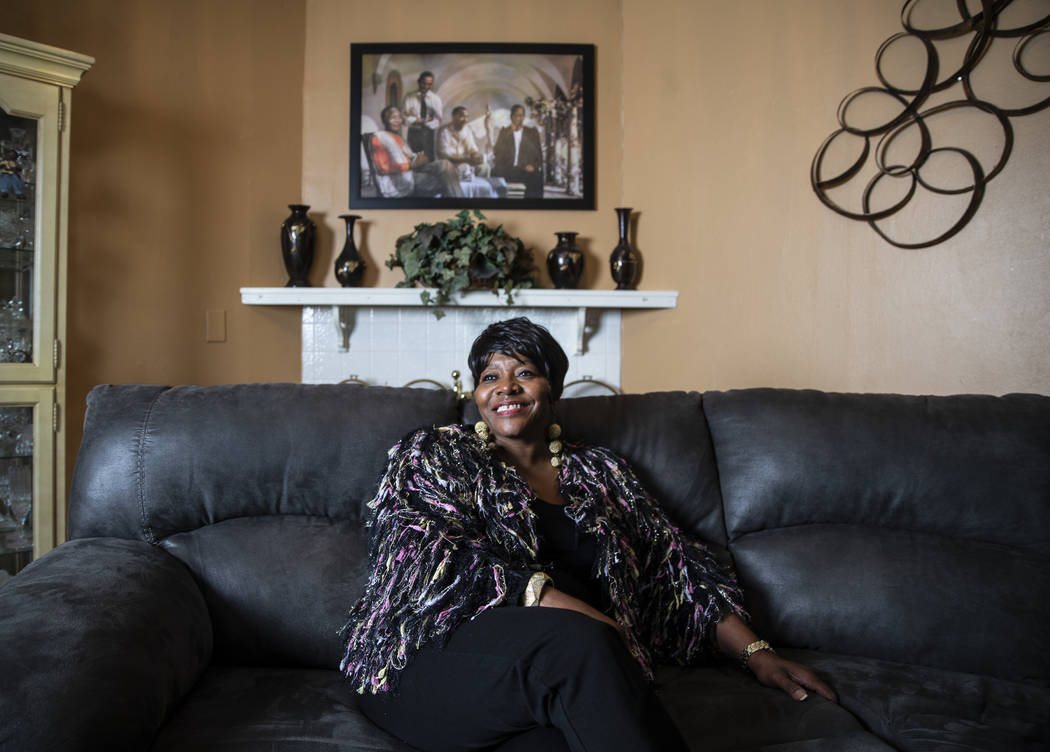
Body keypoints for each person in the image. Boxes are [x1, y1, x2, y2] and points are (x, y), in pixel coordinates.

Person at [340, 318, 836, 752]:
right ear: (475, 394)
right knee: (579, 645)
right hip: (419, 659)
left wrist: (758, 655)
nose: (505, 388)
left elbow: (673, 565)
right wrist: (585, 618)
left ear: (551, 389)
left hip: (542, 681)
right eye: (490, 377)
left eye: (524, 374)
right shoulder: (434, 454)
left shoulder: (601, 472)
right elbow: (427, 557)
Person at [369, 105, 463, 198]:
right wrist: (411, 165)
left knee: (445, 165)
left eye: (399, 117)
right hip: (400, 178)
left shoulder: (399, 139)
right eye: (393, 118)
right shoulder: (379, 137)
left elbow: (410, 157)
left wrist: (420, 160)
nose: (398, 121)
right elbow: (383, 167)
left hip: (412, 170)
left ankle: (456, 204)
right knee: (447, 180)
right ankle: (458, 205)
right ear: (384, 120)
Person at [438, 106, 508, 198]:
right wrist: (467, 160)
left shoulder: (467, 130)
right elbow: (445, 155)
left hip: (465, 163)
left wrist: (476, 156)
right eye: (462, 116)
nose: (465, 119)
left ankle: (481, 196)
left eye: (467, 117)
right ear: (454, 117)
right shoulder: (445, 131)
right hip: (450, 165)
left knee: (484, 167)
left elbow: (472, 148)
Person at [492, 104, 544, 198]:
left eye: (520, 116)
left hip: (524, 169)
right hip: (508, 169)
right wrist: (508, 134)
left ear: (524, 117)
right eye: (515, 116)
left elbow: (539, 155)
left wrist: (533, 166)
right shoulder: (504, 132)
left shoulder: (531, 132)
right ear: (511, 117)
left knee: (537, 176)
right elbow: (497, 152)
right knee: (494, 172)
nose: (517, 118)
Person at [403, 70, 442, 160]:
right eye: (424, 83)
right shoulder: (409, 97)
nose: (426, 86)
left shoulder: (436, 99)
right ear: (419, 81)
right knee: (413, 158)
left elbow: (438, 120)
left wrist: (419, 121)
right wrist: (424, 120)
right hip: (413, 133)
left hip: (428, 134)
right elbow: (404, 118)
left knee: (428, 159)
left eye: (429, 84)